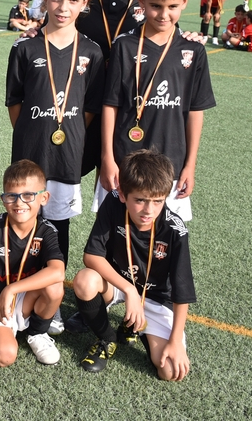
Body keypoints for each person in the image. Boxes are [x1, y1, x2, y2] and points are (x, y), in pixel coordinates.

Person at [6, 0, 105, 276]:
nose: (64, 7)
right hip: (30, 150)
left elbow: (90, 107)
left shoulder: (92, 52)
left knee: (58, 224)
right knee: (23, 218)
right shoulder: (24, 47)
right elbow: (15, 102)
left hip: (66, 154)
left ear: (85, 3)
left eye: (73, 0)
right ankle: (18, 281)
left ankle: (52, 292)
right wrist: (31, 132)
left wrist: (67, 129)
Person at [99, 0, 216, 223]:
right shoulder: (125, 46)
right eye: (156, 6)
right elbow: (110, 105)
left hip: (172, 164)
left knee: (166, 239)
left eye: (172, 7)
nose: (164, 15)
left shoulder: (193, 50)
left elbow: (195, 111)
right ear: (141, 0)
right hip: (125, 161)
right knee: (116, 234)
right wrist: (108, 157)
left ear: (184, 2)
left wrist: (190, 165)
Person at [73, 149, 195, 380]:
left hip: (156, 297)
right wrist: (129, 290)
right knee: (85, 280)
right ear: (122, 194)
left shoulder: (175, 230)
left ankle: (135, 325)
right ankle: (107, 338)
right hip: (118, 285)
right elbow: (91, 255)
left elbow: (182, 292)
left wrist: (176, 340)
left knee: (169, 371)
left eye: (157, 201)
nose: (149, 210)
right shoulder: (112, 203)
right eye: (140, 200)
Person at [0, 160, 65, 367]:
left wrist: (11, 289)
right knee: (5, 357)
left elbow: (58, 271)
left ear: (44, 198)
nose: (19, 203)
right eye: (11, 196)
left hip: (21, 299)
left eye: (28, 195)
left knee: (54, 286)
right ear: (3, 199)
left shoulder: (47, 231)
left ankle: (37, 333)